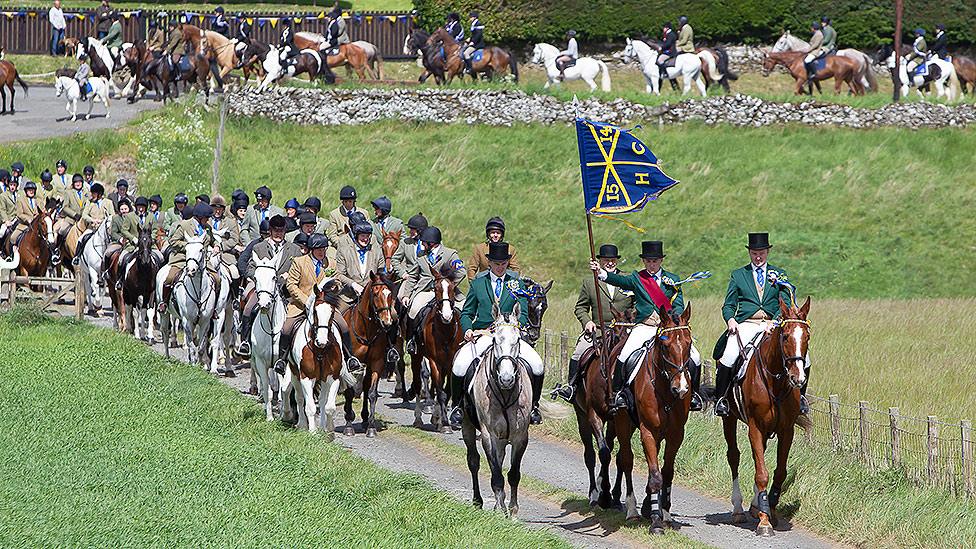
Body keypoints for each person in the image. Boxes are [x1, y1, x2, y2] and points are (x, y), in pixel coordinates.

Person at [589, 240, 704, 412]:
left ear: (661, 261)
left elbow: (679, 303)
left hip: (667, 328)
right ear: (644, 261)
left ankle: (694, 395)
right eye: (648, 261)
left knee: (695, 356)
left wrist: (674, 317)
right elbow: (621, 281)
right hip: (645, 326)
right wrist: (601, 273)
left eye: (655, 261)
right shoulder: (638, 278)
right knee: (624, 354)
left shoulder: (672, 279)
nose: (652, 264)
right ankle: (619, 393)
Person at [712, 233, 810, 416]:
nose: (758, 257)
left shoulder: (779, 274)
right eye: (755, 253)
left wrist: (774, 321)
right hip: (747, 323)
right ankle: (721, 399)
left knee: (804, 356)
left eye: (762, 253)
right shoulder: (739, 275)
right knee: (729, 355)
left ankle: (801, 398)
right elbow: (729, 304)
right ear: (749, 253)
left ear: (767, 252)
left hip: (774, 323)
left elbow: (787, 303)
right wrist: (730, 320)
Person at [452, 241, 545, 426]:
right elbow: (467, 312)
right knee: (460, 365)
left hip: (510, 335)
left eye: (503, 264)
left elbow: (524, 312)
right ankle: (457, 407)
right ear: (489, 263)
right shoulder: (479, 283)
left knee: (537, 364)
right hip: (484, 333)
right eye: (496, 264)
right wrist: (469, 329)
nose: (500, 267)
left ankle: (534, 406)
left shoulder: (516, 283)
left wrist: (516, 326)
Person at [552, 244, 635, 402]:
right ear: (600, 261)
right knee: (579, 352)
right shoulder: (590, 282)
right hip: (598, 329)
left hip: (625, 330)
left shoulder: (628, 279)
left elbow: (638, 304)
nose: (609, 263)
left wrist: (632, 318)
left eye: (612, 260)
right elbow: (580, 308)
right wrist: (587, 322)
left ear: (616, 261)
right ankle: (571, 387)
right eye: (606, 260)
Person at [279, 232, 363, 373]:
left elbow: (338, 283)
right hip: (302, 303)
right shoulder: (299, 262)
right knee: (286, 328)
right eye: (318, 249)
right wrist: (306, 301)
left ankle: (350, 358)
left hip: (325, 305)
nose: (321, 252)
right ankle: (282, 360)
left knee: (343, 325)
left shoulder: (331, 263)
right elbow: (291, 284)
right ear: (312, 249)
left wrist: (335, 288)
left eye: (324, 249)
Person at [237, 215, 300, 356]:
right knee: (249, 309)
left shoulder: (294, 249)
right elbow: (250, 268)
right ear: (270, 231)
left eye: (281, 230)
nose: (278, 233)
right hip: (264, 289)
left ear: (285, 231)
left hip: (286, 290)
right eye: (275, 230)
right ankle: (245, 342)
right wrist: (260, 277)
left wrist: (290, 275)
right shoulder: (259, 247)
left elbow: (299, 267)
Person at [400, 225, 465, 354]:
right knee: (413, 309)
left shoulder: (450, 254)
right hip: (426, 291)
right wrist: (406, 294)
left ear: (431, 243)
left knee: (464, 308)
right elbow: (413, 275)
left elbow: (461, 272)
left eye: (424, 242)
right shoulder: (420, 255)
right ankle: (413, 341)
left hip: (446, 291)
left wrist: (449, 287)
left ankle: (466, 341)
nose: (421, 244)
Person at [158, 203, 215, 311]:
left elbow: (212, 240)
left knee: (217, 279)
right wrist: (190, 246)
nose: (208, 220)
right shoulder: (184, 225)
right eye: (206, 218)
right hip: (183, 258)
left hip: (202, 261)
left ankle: (213, 309)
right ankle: (164, 303)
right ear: (199, 217)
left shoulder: (207, 228)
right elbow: (173, 241)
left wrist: (216, 245)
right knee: (170, 278)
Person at [335, 222, 384, 313]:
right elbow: (339, 274)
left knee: (393, 315)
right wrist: (353, 284)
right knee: (337, 320)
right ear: (356, 236)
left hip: (371, 296)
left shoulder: (377, 251)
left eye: (367, 236)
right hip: (348, 297)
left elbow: (381, 271)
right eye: (362, 236)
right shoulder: (344, 251)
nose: (365, 239)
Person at [210, 194, 242, 280]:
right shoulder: (206, 221)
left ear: (223, 210)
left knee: (234, 272)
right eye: (215, 209)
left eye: (219, 209)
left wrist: (221, 246)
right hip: (208, 253)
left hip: (225, 254)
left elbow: (234, 239)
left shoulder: (230, 222)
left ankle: (235, 293)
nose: (217, 211)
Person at [6, 181, 44, 250]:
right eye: (29, 190)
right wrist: (28, 219)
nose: (31, 191)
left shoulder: (38, 201)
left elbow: (43, 212)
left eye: (33, 190)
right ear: (26, 191)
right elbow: (19, 214)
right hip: (24, 225)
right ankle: (12, 255)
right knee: (13, 238)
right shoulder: (21, 200)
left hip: (37, 226)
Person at [103, 198, 133, 284]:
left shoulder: (133, 217)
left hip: (132, 242)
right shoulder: (116, 218)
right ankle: (106, 271)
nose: (124, 211)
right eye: (122, 209)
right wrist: (120, 239)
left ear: (129, 209)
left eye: (125, 209)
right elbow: (113, 232)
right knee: (108, 252)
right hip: (119, 242)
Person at [392, 212, 427, 283]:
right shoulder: (405, 242)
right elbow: (395, 259)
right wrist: (402, 273)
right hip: (409, 278)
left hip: (426, 279)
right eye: (410, 229)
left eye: (412, 229)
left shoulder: (431, 242)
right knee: (401, 294)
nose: (410, 231)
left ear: (420, 230)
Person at [54, 174, 86, 247]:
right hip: (71, 220)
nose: (78, 184)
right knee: (62, 230)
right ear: (73, 183)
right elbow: (65, 207)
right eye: (76, 182)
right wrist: (74, 214)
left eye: (80, 182)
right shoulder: (68, 193)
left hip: (83, 220)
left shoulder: (86, 193)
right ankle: (58, 249)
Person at [462, 11, 485, 76]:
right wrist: (469, 39)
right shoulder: (474, 24)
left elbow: (478, 35)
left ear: (474, 17)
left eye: (471, 17)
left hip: (478, 44)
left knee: (466, 53)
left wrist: (473, 42)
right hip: (474, 42)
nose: (470, 19)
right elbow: (474, 34)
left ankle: (470, 68)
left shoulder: (478, 24)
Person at [803, 22, 826, 86]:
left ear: (814, 28)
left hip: (816, 51)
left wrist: (808, 50)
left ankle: (814, 73)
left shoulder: (819, 34)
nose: (811, 29)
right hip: (813, 50)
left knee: (807, 60)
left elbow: (816, 45)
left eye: (811, 27)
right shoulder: (816, 33)